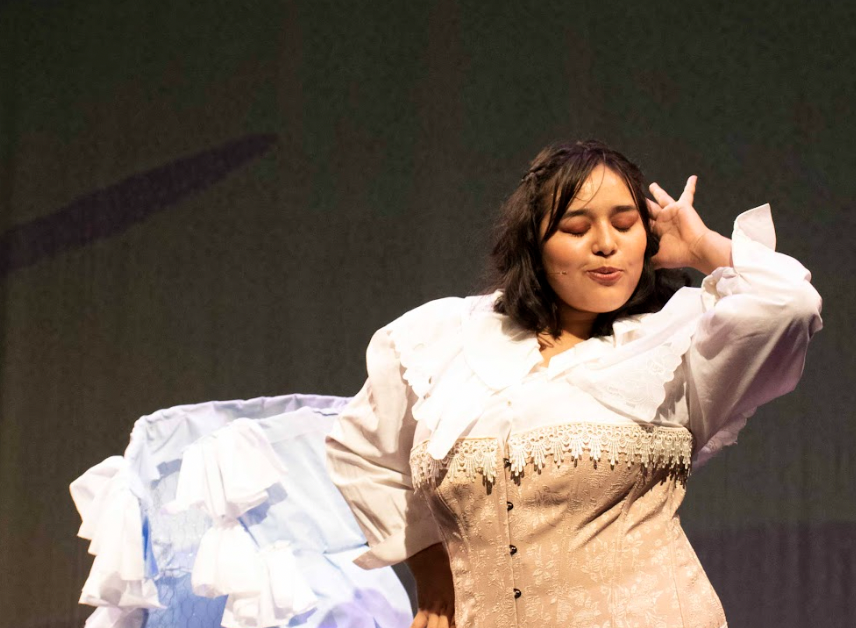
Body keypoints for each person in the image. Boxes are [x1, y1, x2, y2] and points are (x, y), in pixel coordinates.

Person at [325, 140, 823, 628]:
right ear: (533, 244)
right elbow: (363, 452)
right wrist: (432, 572)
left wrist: (699, 247)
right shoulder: (444, 340)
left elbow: (791, 305)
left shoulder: (677, 343)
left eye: (625, 225)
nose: (606, 243)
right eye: (576, 227)